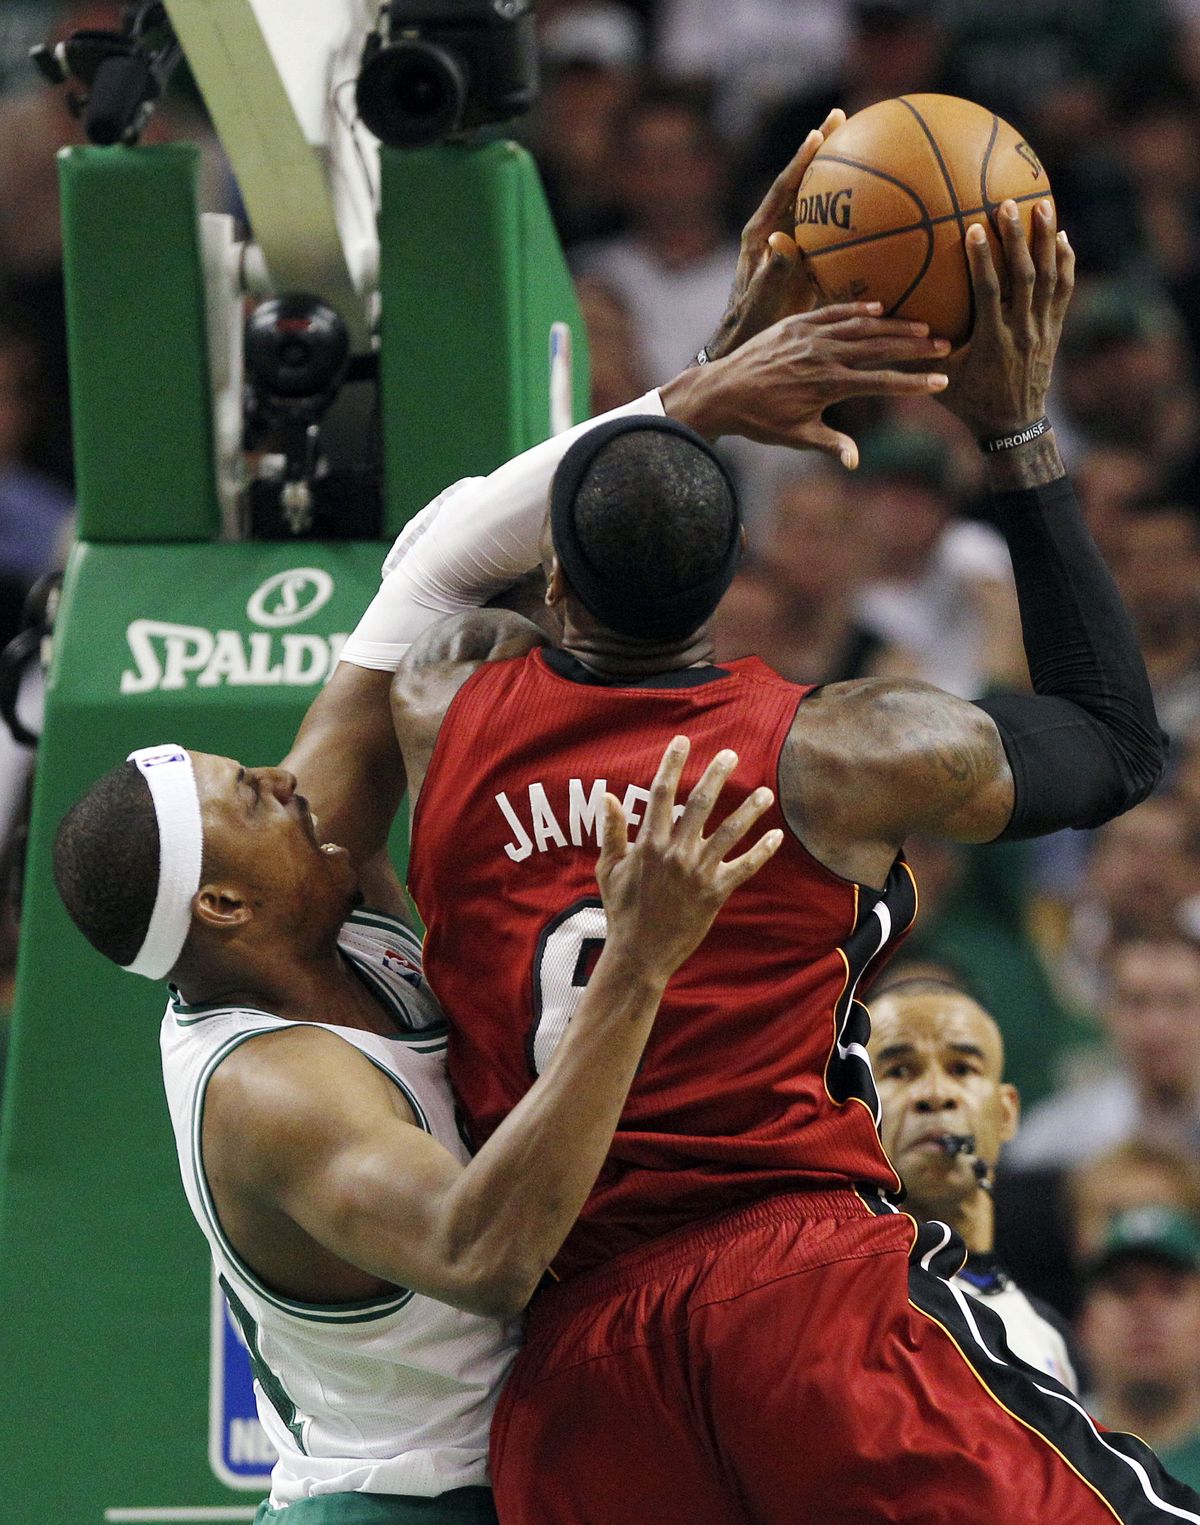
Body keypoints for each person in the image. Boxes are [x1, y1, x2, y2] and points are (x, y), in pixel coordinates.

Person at [50, 118, 960, 1523]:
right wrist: (641, 966)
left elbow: (436, 555)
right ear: (222, 905)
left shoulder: (300, 894)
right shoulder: (278, 1092)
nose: (287, 778)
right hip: (405, 1503)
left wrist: (697, 394)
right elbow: (483, 1253)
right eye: (252, 799)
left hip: (572, 1448)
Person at [386, 199, 1198, 1523]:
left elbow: (441, 555)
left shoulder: (439, 715)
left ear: (555, 590)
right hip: (797, 1291)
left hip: (578, 1364)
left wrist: (696, 388)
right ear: (728, 586)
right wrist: (1013, 432)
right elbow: (1115, 742)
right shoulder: (841, 751)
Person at [868, 975, 1079, 1390]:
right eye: (899, 1070)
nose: (934, 1093)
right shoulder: (832, 1308)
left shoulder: (1048, 1335)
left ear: (1005, 1114)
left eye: (962, 1068)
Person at [1080, 1207, 1200, 1493]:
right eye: (1124, 1289)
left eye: (1171, 1291)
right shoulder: (1047, 1454)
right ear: (1085, 1322)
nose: (1145, 1310)